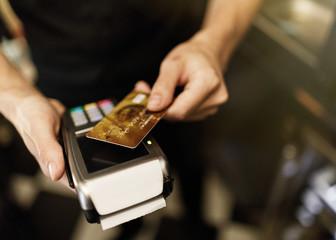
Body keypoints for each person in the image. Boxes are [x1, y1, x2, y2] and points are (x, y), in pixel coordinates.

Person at [0, 0, 261, 237]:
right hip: (67, 86)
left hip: (172, 67)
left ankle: (196, 218)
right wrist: (16, 97)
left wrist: (213, 44)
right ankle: (132, 224)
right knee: (111, 181)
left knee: (189, 159)